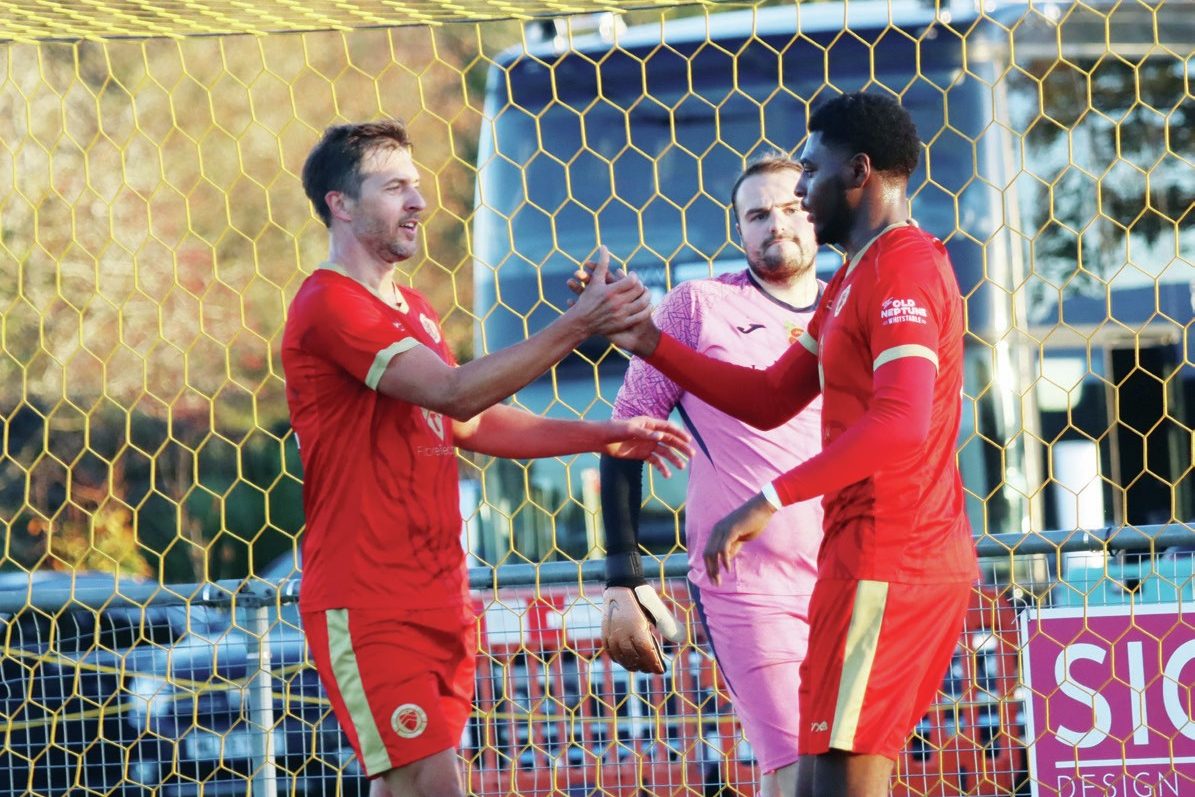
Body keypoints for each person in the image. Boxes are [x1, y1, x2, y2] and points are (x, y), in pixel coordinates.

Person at [281, 120, 693, 797]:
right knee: (430, 781)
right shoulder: (328, 303)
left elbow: (465, 419)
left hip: (441, 591)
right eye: (395, 188)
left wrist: (600, 434)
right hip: (369, 600)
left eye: (416, 186)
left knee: (410, 784)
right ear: (340, 204)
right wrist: (580, 323)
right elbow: (455, 390)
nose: (419, 202)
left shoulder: (415, 308)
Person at [583, 93, 978, 797]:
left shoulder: (905, 267)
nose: (797, 199)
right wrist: (647, 341)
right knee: (812, 781)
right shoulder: (847, 281)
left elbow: (901, 422)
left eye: (809, 176)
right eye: (760, 211)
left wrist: (769, 497)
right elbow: (768, 397)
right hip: (823, 567)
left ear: (858, 171)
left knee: (836, 780)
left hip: (891, 555)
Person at [597, 153, 825, 797]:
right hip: (747, 584)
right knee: (797, 768)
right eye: (757, 214)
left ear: (816, 214)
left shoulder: (848, 305)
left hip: (849, 575)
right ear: (739, 230)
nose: (775, 224)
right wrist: (623, 578)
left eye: (790, 207)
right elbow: (626, 435)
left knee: (845, 770)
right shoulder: (697, 307)